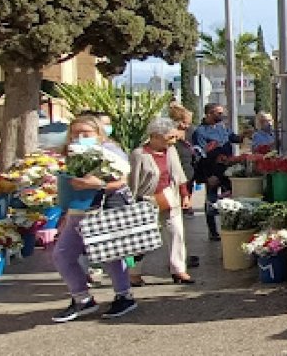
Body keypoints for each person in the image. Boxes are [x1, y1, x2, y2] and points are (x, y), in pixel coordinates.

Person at [51, 115, 137, 322]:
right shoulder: (71, 153)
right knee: (62, 254)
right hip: (77, 212)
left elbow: (123, 181)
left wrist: (96, 185)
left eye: (85, 134)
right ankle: (82, 299)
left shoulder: (111, 152)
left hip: (104, 209)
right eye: (75, 133)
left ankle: (124, 296)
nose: (79, 137)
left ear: (98, 133)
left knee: (110, 254)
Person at [128, 117, 194, 285]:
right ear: (155, 136)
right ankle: (133, 273)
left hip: (169, 197)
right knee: (140, 239)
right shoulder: (139, 154)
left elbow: (178, 173)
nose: (173, 140)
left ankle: (179, 270)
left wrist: (185, 194)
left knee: (177, 232)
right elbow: (132, 181)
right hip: (146, 199)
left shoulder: (171, 151)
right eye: (169, 137)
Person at [191, 103, 244, 241]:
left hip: (227, 171)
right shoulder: (200, 132)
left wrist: (244, 135)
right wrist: (208, 176)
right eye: (218, 113)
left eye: (222, 112)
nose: (222, 115)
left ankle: (230, 226)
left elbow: (234, 139)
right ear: (209, 114)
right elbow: (200, 156)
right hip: (212, 172)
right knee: (211, 201)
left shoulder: (223, 127)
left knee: (230, 200)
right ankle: (213, 231)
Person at [168, 104, 197, 217]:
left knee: (188, 185)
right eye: (184, 122)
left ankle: (186, 204)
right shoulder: (170, 133)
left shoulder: (191, 131)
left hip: (189, 164)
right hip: (176, 163)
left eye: (188, 123)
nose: (186, 126)